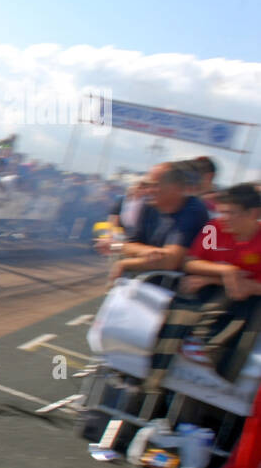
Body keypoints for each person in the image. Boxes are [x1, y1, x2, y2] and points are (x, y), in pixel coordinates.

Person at [142, 184, 261, 397]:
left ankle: (212, 348)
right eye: (221, 210)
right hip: (209, 292)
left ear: (252, 214)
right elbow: (190, 263)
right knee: (187, 298)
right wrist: (224, 272)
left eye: (230, 212)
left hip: (246, 301)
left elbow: (249, 288)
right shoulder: (214, 228)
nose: (223, 217)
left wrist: (227, 281)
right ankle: (158, 374)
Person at [109, 162, 211, 280]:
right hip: (145, 280)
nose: (149, 190)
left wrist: (124, 264)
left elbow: (170, 262)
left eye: (155, 185)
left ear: (176, 187)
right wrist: (150, 251)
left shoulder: (193, 210)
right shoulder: (149, 205)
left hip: (176, 288)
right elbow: (129, 245)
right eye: (148, 185)